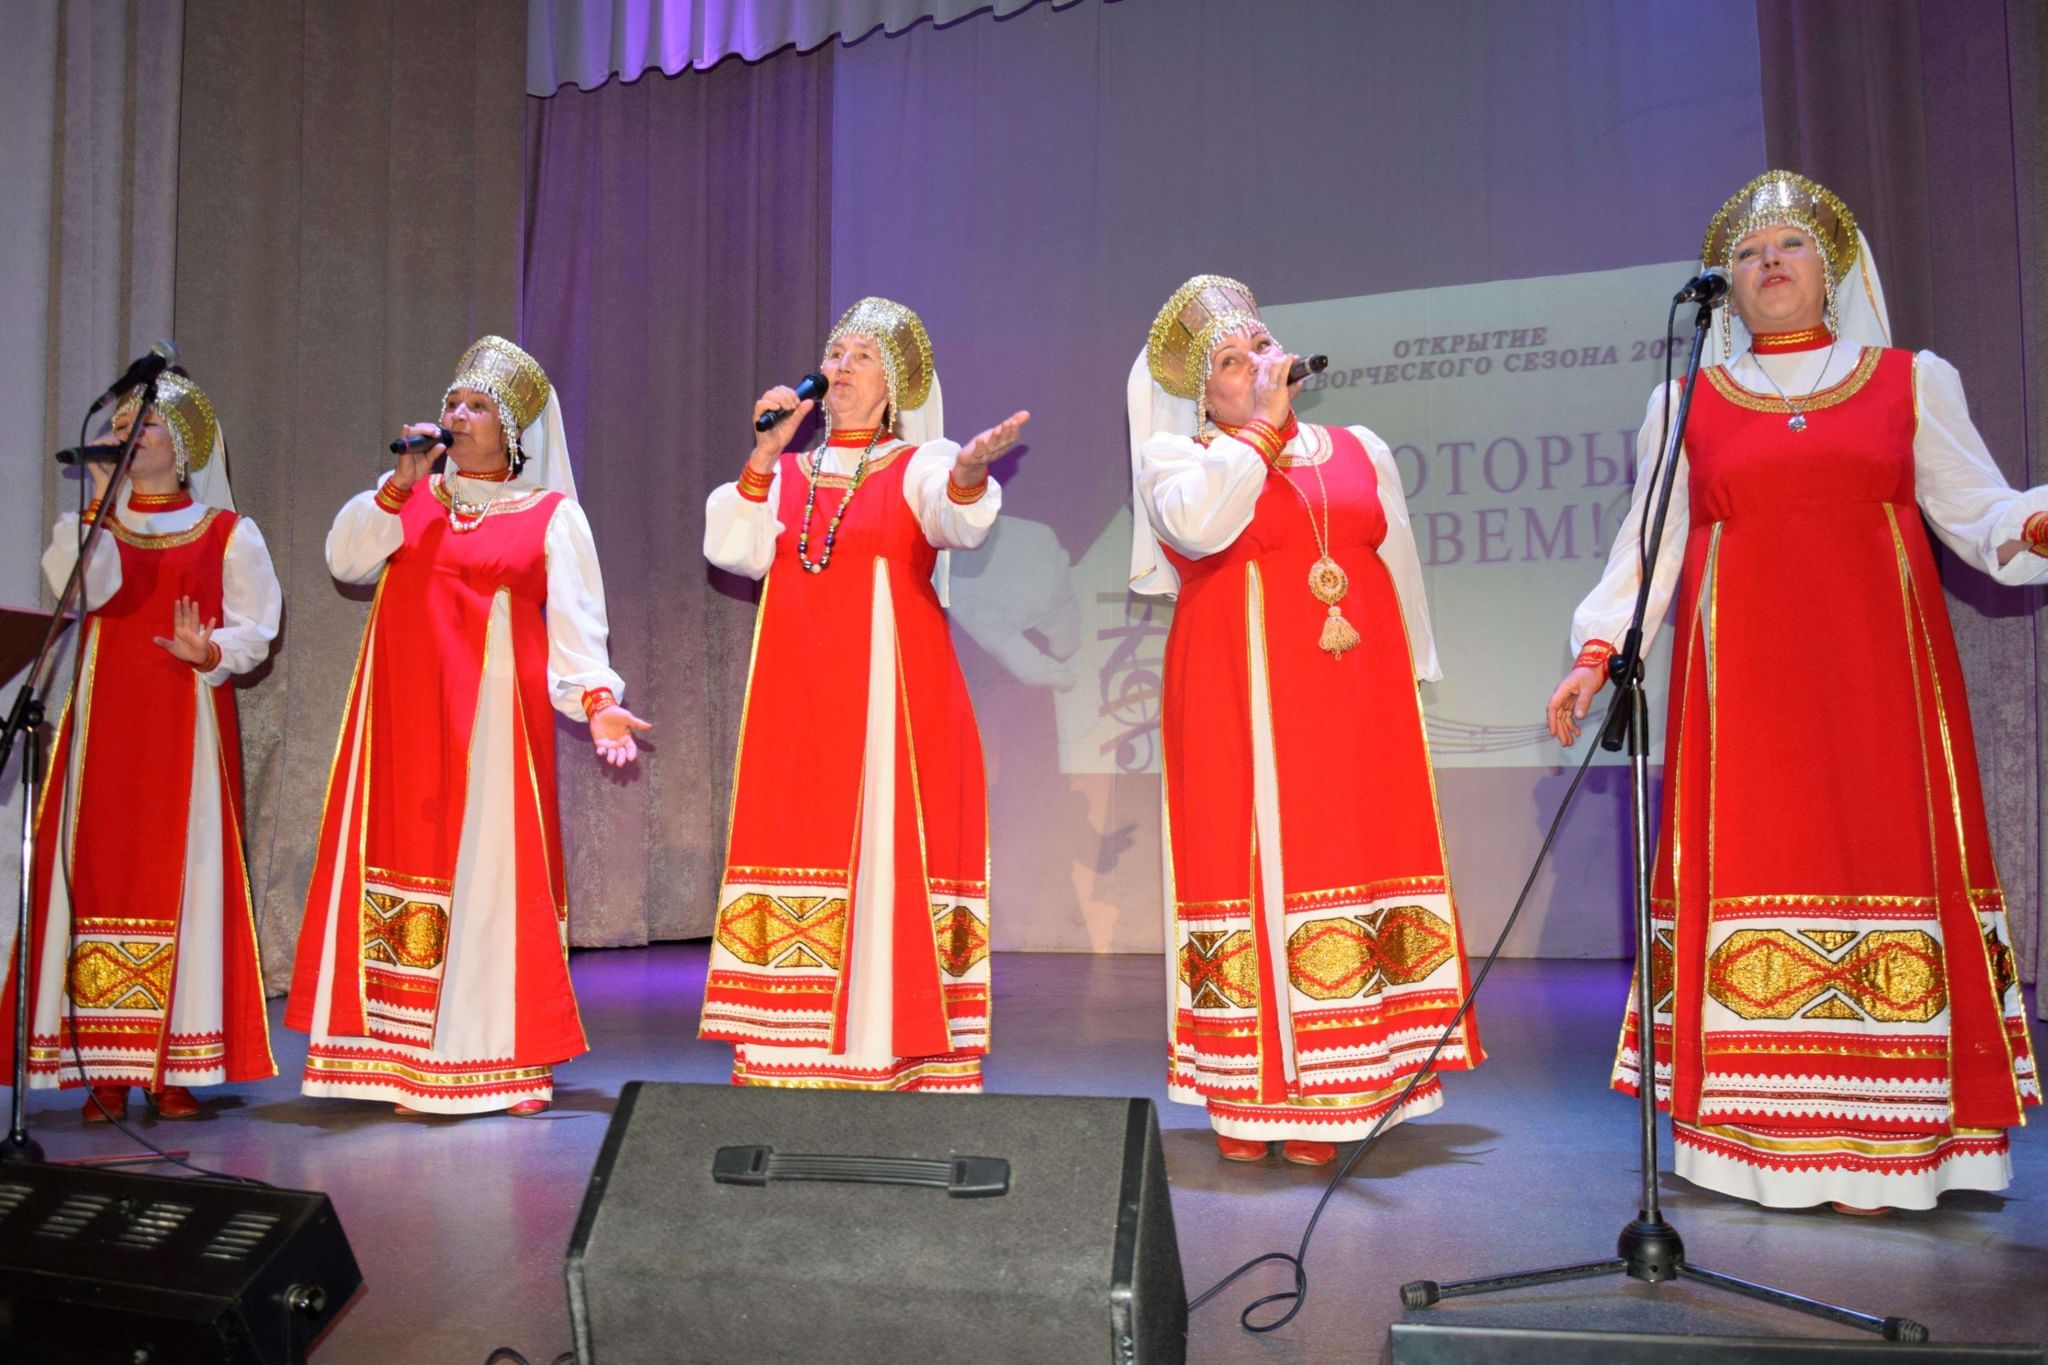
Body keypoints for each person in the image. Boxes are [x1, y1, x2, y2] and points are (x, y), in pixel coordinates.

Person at [1548, 170, 2045, 1211]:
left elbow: (1980, 515)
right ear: (1723, 285)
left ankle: (1906, 1140)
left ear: (1832, 271)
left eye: (1789, 246)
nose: (1767, 262)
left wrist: (2029, 524)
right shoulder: (1683, 403)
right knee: (1751, 865)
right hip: (1744, 702)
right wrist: (1595, 655)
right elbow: (1646, 549)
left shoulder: (1910, 380)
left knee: (1884, 859)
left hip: (1879, 688)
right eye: (1747, 251)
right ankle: (1747, 1143)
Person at [1130, 275, 1483, 1166]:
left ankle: (1338, 1086)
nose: (1254, 365)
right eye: (1230, 360)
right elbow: (1203, 528)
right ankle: (1246, 1093)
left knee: (1344, 859)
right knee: (1237, 860)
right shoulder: (1180, 459)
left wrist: (1410, 679)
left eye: (1261, 347)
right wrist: (1261, 431)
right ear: (1200, 392)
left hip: (1351, 692)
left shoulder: (1359, 447)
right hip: (1231, 689)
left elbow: (1396, 563)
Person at [286, 335, 648, 1117]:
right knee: (404, 866)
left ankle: (508, 1060)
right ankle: (407, 1057)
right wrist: (396, 488)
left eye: (477, 405)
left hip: (490, 722)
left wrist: (598, 700)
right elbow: (345, 561)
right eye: (453, 400)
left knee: (491, 875)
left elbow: (579, 630)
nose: (457, 413)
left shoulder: (551, 516)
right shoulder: (403, 494)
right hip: (401, 717)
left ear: (513, 432)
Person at [700, 297, 1028, 1090]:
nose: (840, 366)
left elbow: (957, 519)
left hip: (894, 701)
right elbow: (732, 550)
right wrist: (764, 451)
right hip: (796, 698)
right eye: (834, 352)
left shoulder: (918, 464)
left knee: (888, 843)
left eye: (861, 356)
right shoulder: (781, 472)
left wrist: (970, 471)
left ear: (894, 386)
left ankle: (892, 1045)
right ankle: (792, 1053)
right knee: (794, 839)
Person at [2, 370, 278, 1121]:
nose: (128, 435)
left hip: (182, 725)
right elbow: (88, 586)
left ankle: (172, 1064)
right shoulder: (93, 526)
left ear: (185, 446)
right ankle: (102, 1063)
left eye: (145, 424)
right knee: (97, 875)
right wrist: (99, 501)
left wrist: (210, 646)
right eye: (121, 425)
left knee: (183, 872)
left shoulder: (227, 532)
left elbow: (257, 627)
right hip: (103, 729)